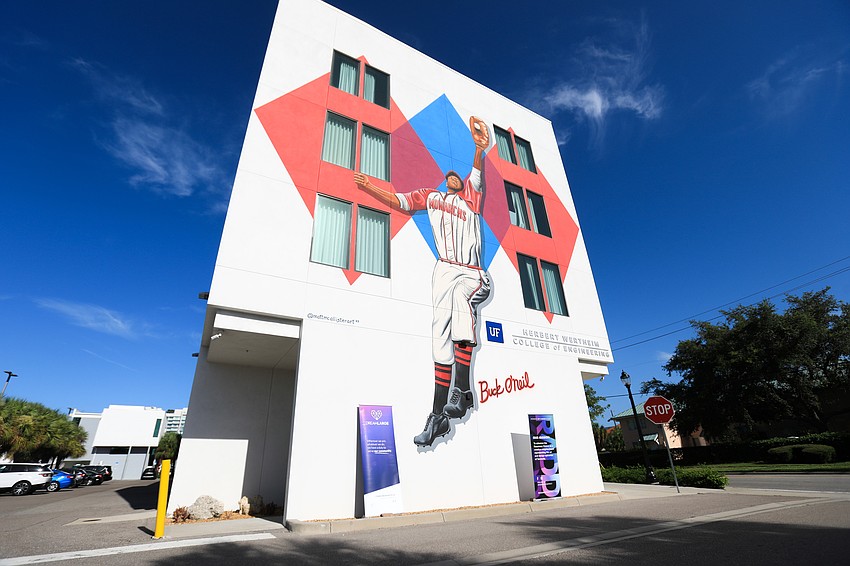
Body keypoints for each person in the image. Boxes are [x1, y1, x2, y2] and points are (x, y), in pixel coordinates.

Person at [354, 115, 491, 446]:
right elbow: (401, 202)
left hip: (470, 270)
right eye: (448, 175)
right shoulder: (432, 199)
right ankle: (438, 416)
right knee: (439, 339)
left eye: (456, 175)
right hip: (443, 269)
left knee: (461, 301)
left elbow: (477, 173)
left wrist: (477, 148)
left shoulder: (471, 200)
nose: (451, 176)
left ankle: (461, 390)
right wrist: (371, 188)